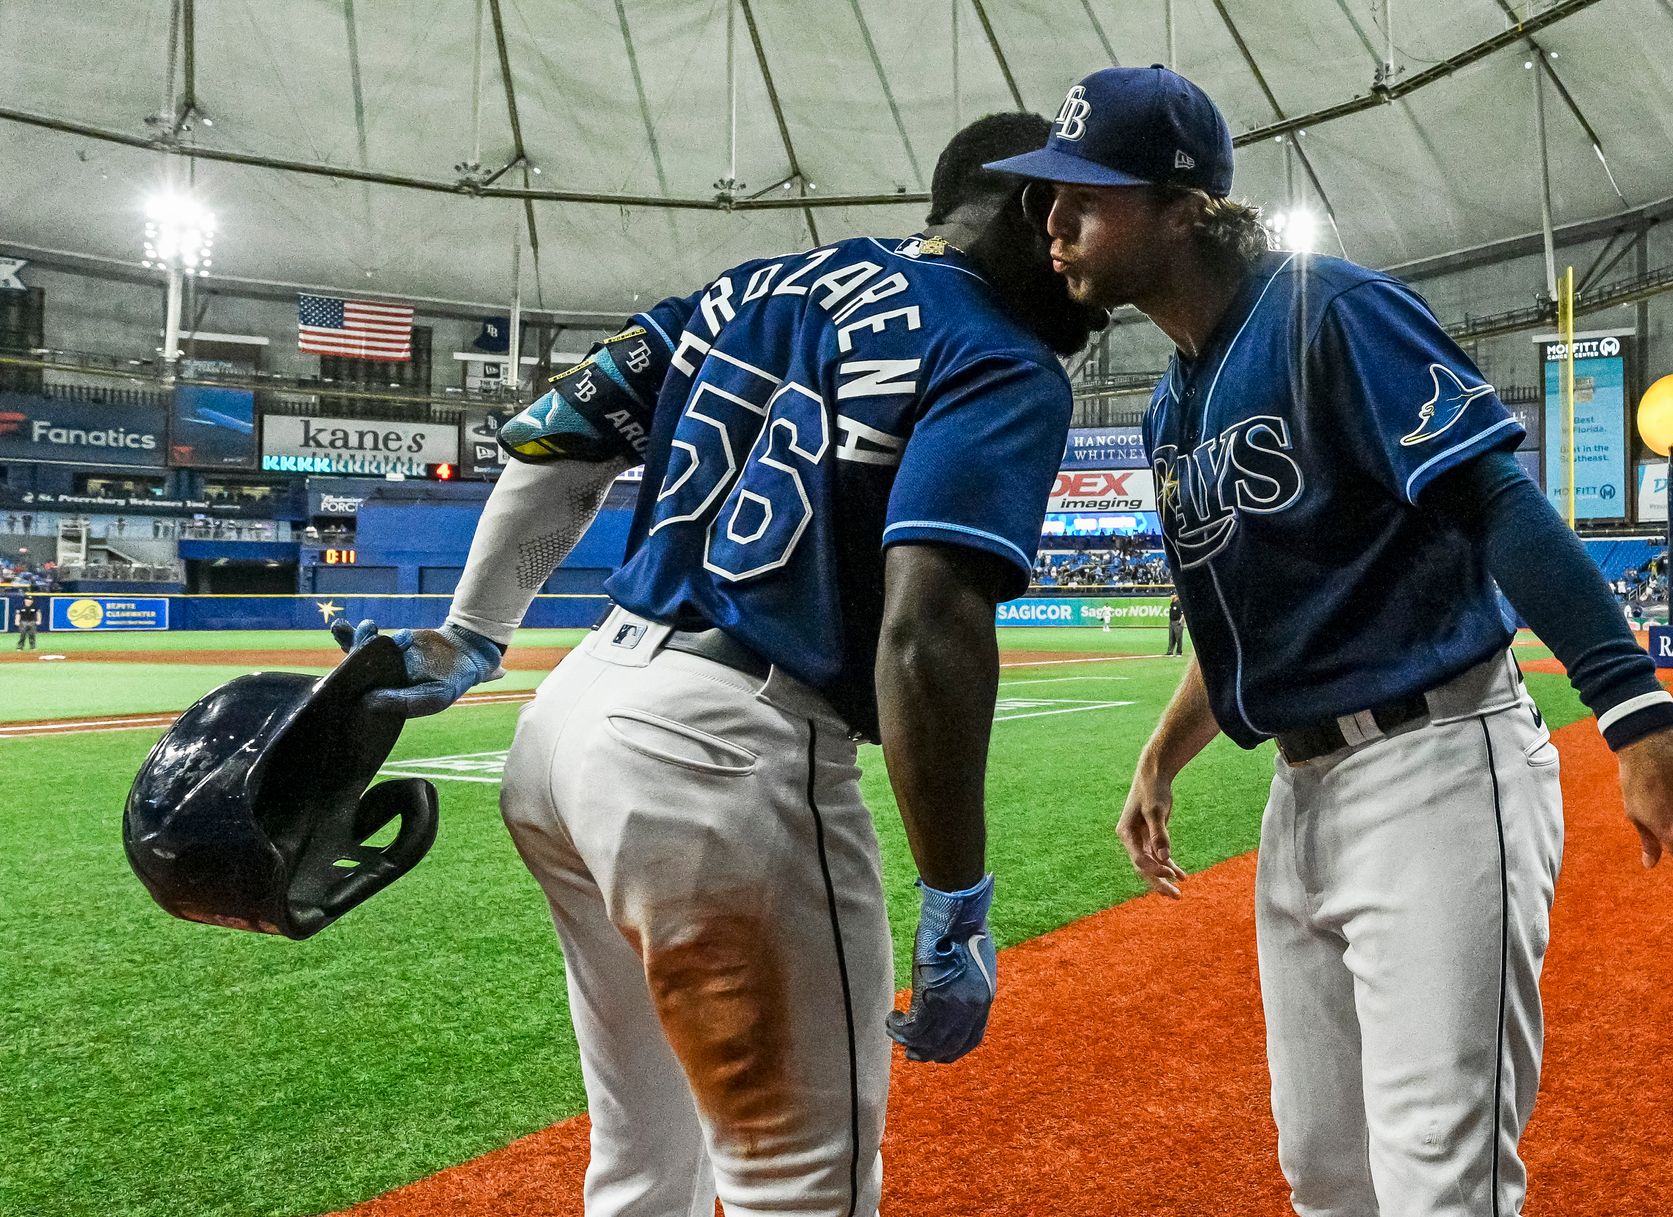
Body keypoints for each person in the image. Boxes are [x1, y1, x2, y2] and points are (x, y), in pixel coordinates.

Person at [995, 67, 1673, 1217]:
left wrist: (1638, 717)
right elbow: (1242, 620)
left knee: (1439, 1181)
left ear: (1182, 203)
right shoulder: (1171, 405)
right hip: (1300, 799)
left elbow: (1498, 502)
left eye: (1084, 195)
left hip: (1439, 770)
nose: (1052, 223)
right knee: (1325, 1171)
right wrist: (1161, 756)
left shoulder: (1329, 311)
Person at [332, 112, 1107, 1217]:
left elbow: (560, 440)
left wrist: (474, 631)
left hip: (569, 724)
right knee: (799, 1184)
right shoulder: (994, 351)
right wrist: (957, 893)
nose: (1089, 287)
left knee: (644, 1163)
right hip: (724, 752)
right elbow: (926, 634)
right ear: (1037, 211)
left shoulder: (754, 284)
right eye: (1075, 241)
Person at [1165, 591, 1186, 656]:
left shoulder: (1179, 604)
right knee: (1171, 637)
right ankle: (1170, 651)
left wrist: (1180, 622)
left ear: (1175, 595)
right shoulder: (1172, 603)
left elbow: (1183, 614)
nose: (1170, 597)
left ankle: (1179, 652)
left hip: (1178, 622)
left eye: (1171, 595)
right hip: (1171, 622)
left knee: (1178, 638)